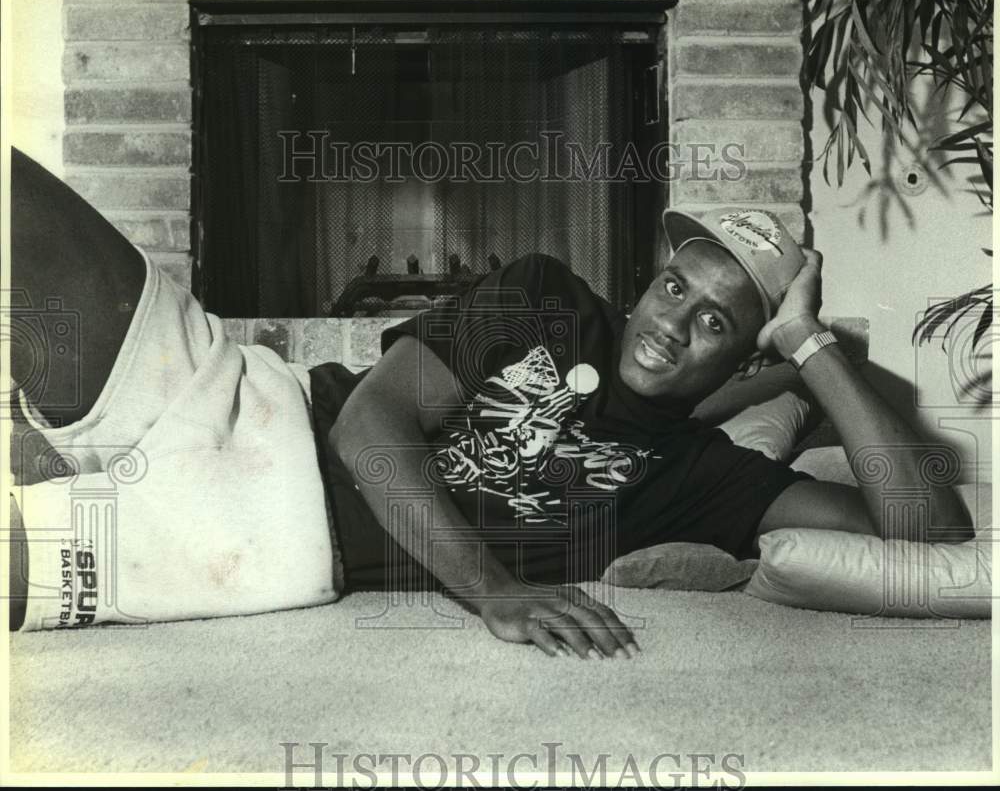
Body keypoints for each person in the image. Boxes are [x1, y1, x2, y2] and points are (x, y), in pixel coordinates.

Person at [7, 147, 974, 657]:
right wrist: (493, 589)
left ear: (745, 354)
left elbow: (927, 535)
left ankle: (53, 472)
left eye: (717, 321)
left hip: (269, 533)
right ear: (649, 280)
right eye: (676, 286)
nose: (673, 324)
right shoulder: (547, 295)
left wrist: (809, 344)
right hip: (253, 395)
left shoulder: (706, 480)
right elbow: (366, 420)